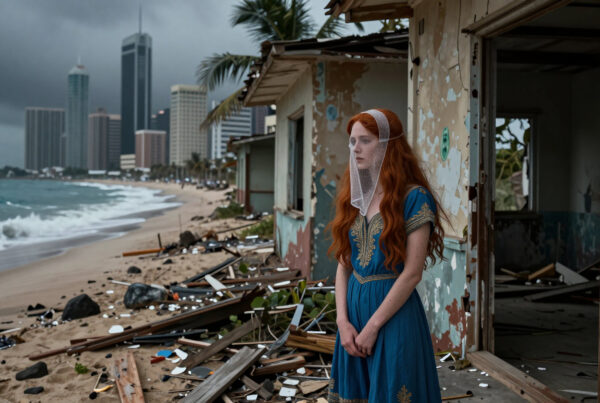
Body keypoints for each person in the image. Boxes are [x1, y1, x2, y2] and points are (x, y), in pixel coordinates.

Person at [327, 109, 446, 402]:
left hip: (392, 320)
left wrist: (373, 327)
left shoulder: (414, 197)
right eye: (352, 141)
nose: (355, 148)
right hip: (353, 322)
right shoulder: (355, 196)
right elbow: (343, 266)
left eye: (364, 140)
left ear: (388, 145)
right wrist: (342, 322)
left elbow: (412, 273)